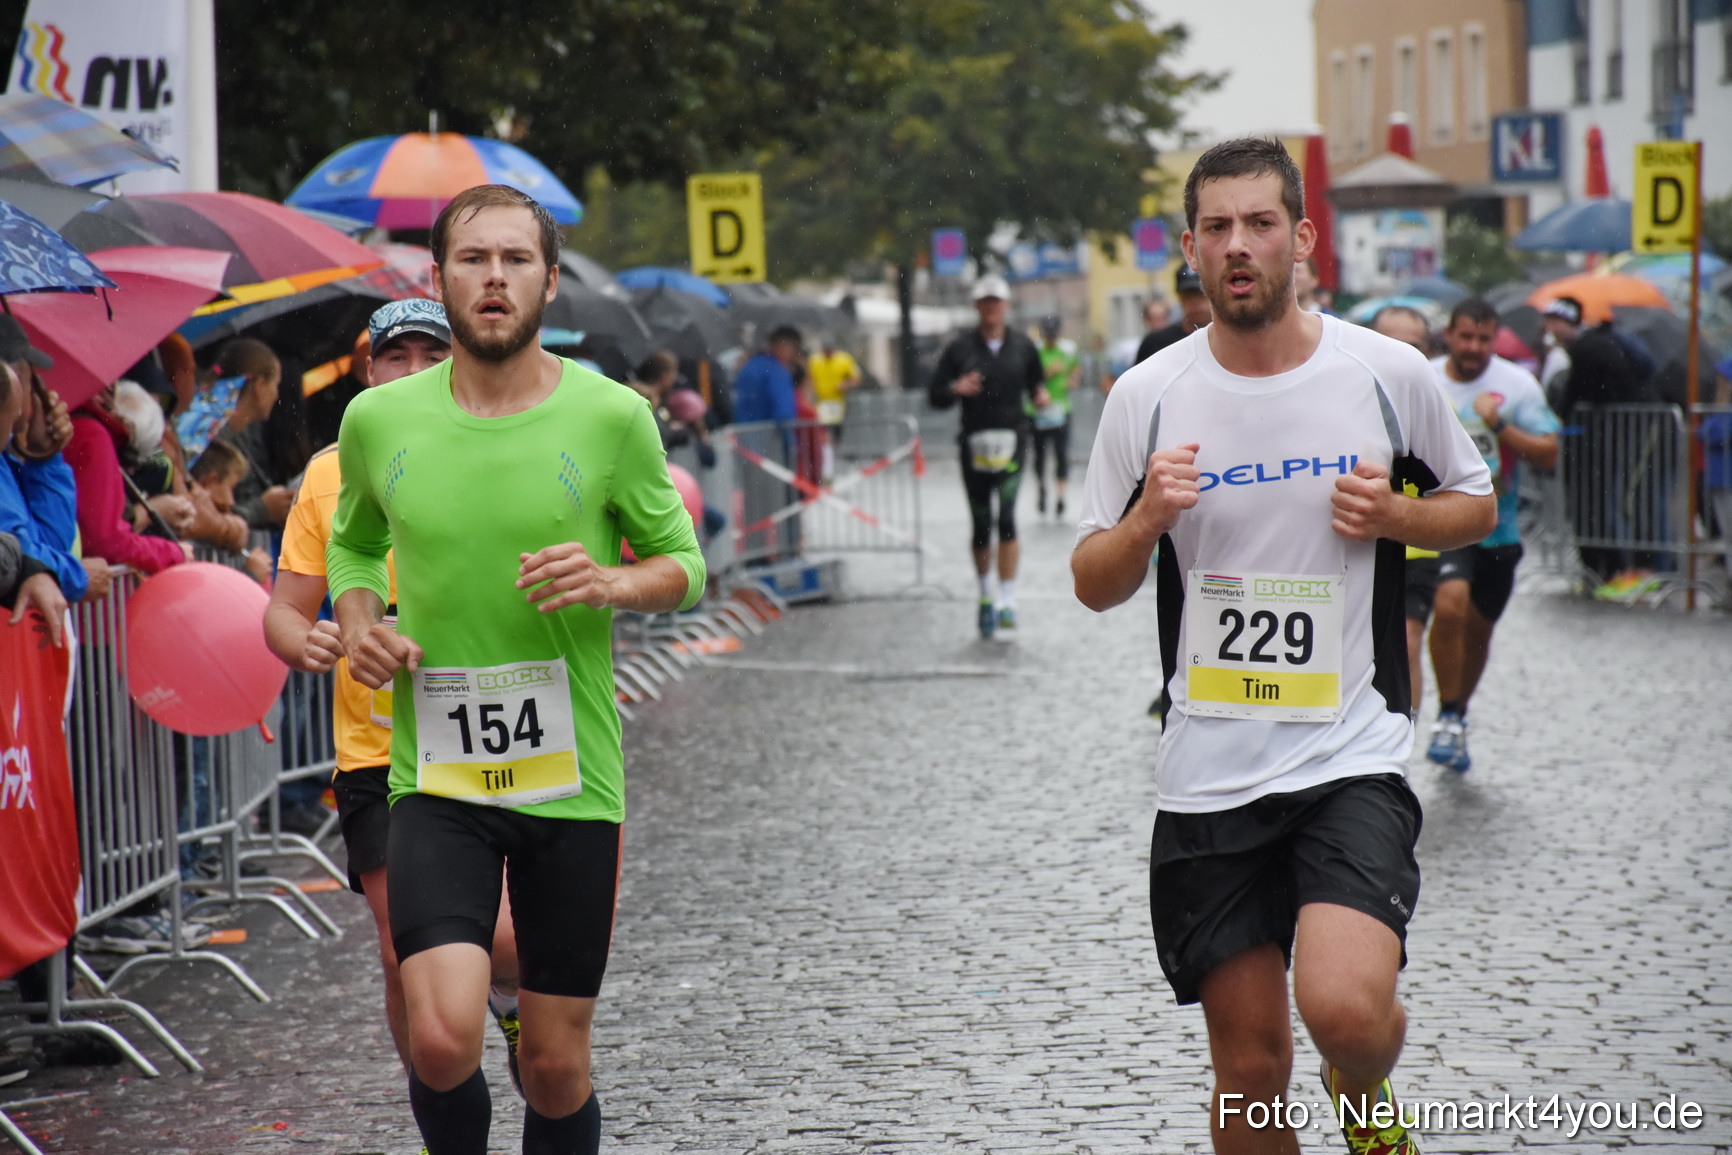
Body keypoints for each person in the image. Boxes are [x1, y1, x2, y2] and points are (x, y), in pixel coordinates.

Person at [1072, 138, 1494, 1155]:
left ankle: (1361, 1081)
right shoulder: (1149, 396)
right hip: (1207, 773)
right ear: (1190, 249)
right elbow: (1093, 580)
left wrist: (1396, 517)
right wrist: (1143, 524)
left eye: (1259, 223)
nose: (1238, 246)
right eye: (1216, 228)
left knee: (1345, 1012)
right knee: (1251, 1072)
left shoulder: (1385, 373)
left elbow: (1473, 503)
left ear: (1301, 238)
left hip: (1343, 751)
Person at [327, 185, 705, 1155]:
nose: (493, 278)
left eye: (516, 260)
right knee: (444, 1036)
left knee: (552, 1065)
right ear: (441, 277)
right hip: (436, 778)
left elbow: (686, 568)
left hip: (571, 782)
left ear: (547, 280)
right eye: (472, 259)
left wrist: (613, 583)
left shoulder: (613, 418)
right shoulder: (379, 419)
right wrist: (362, 617)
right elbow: (356, 546)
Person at [264, 298, 527, 1091]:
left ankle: (510, 999)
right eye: (395, 357)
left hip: (493, 731)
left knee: (507, 937)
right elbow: (284, 606)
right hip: (379, 749)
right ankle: (446, 1114)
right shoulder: (329, 471)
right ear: (366, 370)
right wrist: (300, 638)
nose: (412, 372)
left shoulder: (495, 444)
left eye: (429, 356)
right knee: (400, 949)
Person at [1424, 299, 1560, 774]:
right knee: (1449, 602)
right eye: (1465, 337)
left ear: (1495, 338)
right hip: (1443, 521)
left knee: (1479, 632)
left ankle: (1457, 713)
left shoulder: (1515, 384)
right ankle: (1443, 714)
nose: (1474, 348)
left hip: (1498, 529)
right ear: (1449, 334)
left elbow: (1549, 452)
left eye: (1484, 339)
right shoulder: (1425, 379)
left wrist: (1500, 425)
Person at [928, 274, 1047, 638]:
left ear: (1006, 305)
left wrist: (1041, 397)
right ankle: (984, 595)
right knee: (981, 524)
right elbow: (934, 395)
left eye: (997, 301)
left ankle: (1008, 599)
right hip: (974, 444)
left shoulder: (1024, 346)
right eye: (986, 301)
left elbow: (1036, 385)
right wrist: (955, 388)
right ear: (977, 306)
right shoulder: (959, 348)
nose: (992, 307)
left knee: (1007, 518)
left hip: (1012, 441)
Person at [1372, 305, 1441, 710]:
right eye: (1389, 344)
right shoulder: (1342, 396)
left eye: (1411, 347)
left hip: (1415, 546)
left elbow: (1466, 484)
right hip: (1354, 547)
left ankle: (1403, 737)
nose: (1400, 356)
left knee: (1408, 639)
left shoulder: (1431, 400)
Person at [0, 317, 95, 605]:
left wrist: (45, 456)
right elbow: (17, 555)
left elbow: (52, 543)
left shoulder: (9, 460)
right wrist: (76, 575)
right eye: (33, 379)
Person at [1032, 315, 1081, 516]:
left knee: (1061, 455)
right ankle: (1042, 487)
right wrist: (1048, 373)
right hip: (1038, 411)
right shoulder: (1036, 352)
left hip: (1061, 409)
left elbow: (1075, 371)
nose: (1051, 338)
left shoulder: (1067, 351)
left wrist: (1072, 380)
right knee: (1040, 456)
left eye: (1054, 335)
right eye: (1048, 335)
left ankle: (1061, 496)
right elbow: (1031, 376)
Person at [1136, 263, 1212, 365]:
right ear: (1179, 298)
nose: (1195, 302)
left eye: (1200, 294)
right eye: (1187, 295)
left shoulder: (1229, 340)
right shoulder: (1157, 342)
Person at [806, 339, 862, 445]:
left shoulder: (844, 359)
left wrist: (845, 385)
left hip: (838, 402)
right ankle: (827, 454)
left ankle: (833, 453)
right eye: (826, 350)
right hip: (820, 402)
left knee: (836, 432)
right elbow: (809, 379)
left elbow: (856, 378)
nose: (828, 353)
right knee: (822, 431)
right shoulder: (814, 360)